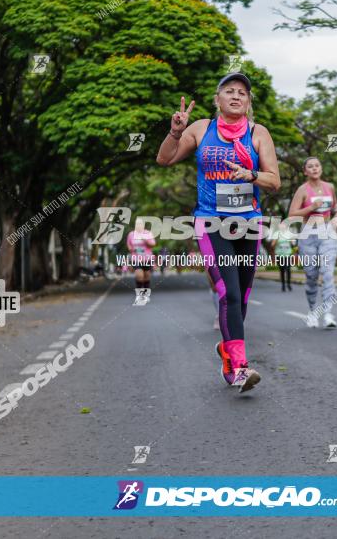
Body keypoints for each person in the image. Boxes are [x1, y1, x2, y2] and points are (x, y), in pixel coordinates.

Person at [156, 73, 281, 393]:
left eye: (242, 93)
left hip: (249, 221)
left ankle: (228, 351)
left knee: (244, 295)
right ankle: (239, 367)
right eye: (229, 91)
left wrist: (251, 174)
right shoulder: (200, 129)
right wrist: (175, 132)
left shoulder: (258, 133)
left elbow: (274, 181)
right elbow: (165, 158)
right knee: (229, 292)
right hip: (211, 221)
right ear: (218, 99)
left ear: (249, 101)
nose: (236, 96)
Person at [288, 156, 337, 329]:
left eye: (317, 165)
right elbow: (292, 215)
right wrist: (311, 208)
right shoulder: (302, 190)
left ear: (321, 168)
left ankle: (328, 313)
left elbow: (335, 206)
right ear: (305, 171)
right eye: (310, 166)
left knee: (328, 274)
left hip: (327, 232)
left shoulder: (330, 187)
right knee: (312, 277)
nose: (314, 168)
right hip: (308, 233)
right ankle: (313, 312)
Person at [126, 225, 156, 292]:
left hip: (147, 259)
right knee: (139, 276)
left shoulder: (148, 233)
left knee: (146, 277)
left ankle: (146, 292)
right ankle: (139, 292)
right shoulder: (131, 234)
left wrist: (145, 240)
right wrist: (131, 249)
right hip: (136, 259)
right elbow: (128, 245)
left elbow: (153, 244)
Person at [268, 225, 295, 291]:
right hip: (280, 255)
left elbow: (293, 244)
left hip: (287, 254)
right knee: (282, 270)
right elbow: (272, 245)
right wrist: (275, 241)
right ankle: (283, 285)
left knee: (288, 269)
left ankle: (288, 283)